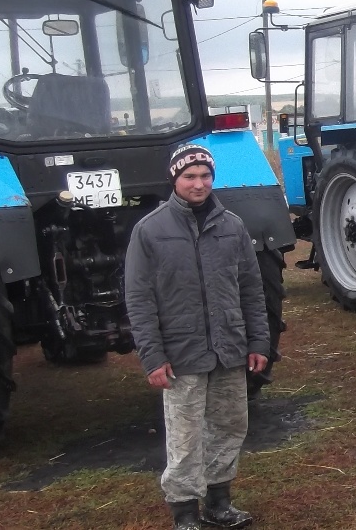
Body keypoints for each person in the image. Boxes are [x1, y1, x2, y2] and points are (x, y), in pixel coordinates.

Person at [126, 143, 270, 529]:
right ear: (175, 178)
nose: (198, 183)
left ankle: (219, 504)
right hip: (182, 352)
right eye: (189, 176)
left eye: (205, 175)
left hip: (229, 350)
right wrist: (152, 357)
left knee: (229, 426)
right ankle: (185, 512)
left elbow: (251, 289)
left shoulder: (232, 226)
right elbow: (139, 300)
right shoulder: (150, 230)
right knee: (185, 437)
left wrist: (258, 342)